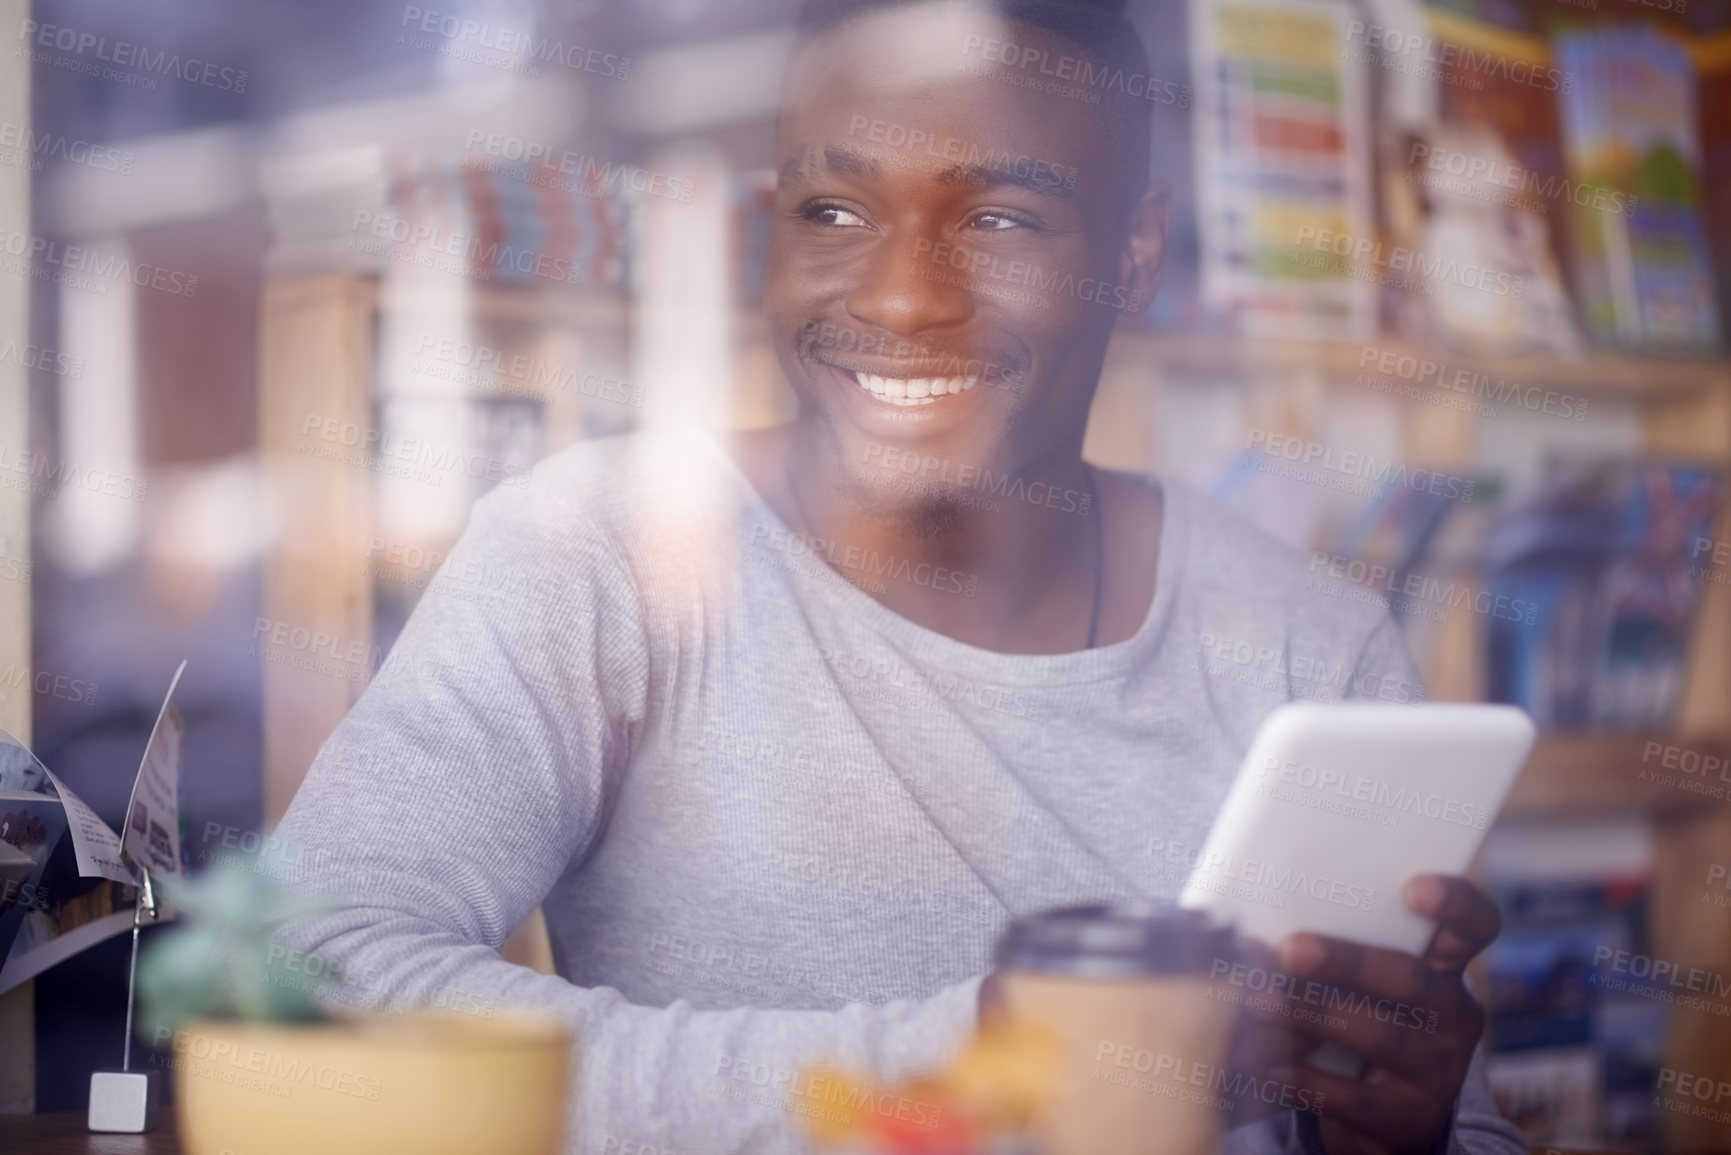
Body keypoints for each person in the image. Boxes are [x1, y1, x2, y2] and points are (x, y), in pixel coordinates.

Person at [274, 1, 1528, 1152]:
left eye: (998, 219)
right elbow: (303, 981)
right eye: (833, 211)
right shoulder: (600, 549)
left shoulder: (1313, 647)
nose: (901, 294)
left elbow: (1463, 1132)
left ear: (1136, 253)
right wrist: (995, 1060)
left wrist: (1402, 1137)